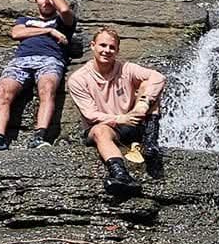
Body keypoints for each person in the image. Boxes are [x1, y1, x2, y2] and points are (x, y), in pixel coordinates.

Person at [0, 0, 78, 154]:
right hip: (21, 60)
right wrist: (48, 32)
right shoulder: (26, 20)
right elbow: (16, 33)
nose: (46, 1)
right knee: (3, 91)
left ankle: (39, 137)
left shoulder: (63, 22)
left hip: (50, 59)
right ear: (36, 0)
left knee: (47, 87)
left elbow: (66, 10)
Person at [65, 28, 167, 194]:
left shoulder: (126, 68)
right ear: (92, 46)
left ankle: (150, 143)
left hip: (133, 122)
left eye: (112, 47)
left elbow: (158, 77)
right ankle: (120, 173)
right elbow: (90, 115)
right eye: (102, 45)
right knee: (100, 130)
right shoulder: (78, 79)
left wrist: (143, 103)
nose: (107, 50)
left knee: (148, 87)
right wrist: (120, 118)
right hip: (104, 126)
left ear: (117, 51)